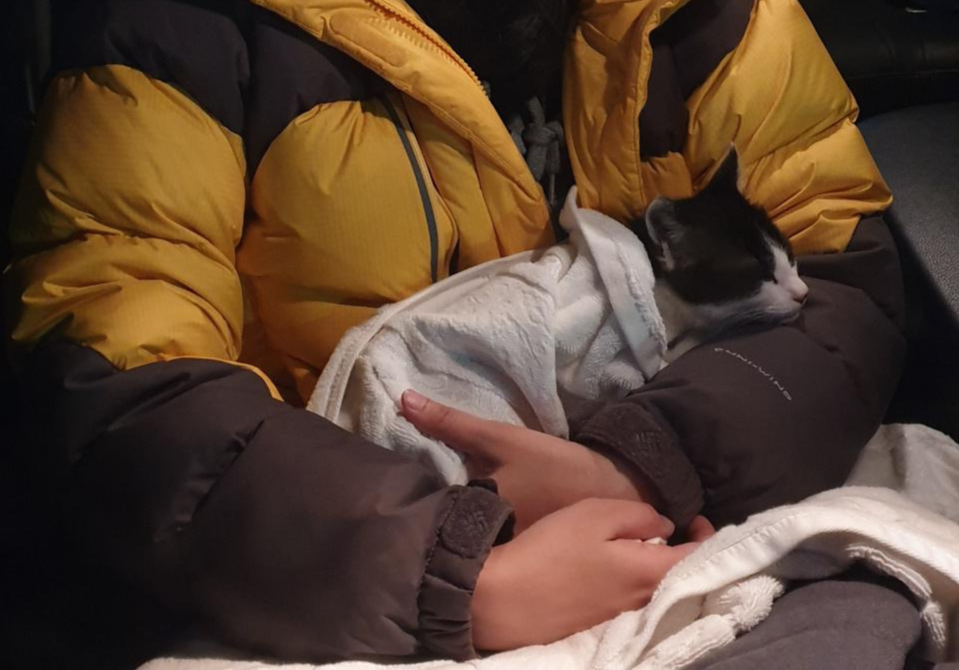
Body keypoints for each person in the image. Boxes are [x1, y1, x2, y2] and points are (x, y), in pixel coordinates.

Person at [5, 0, 906, 664]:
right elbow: (127, 388)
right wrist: (453, 572)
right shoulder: (178, 33)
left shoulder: (724, 18)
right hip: (330, 563)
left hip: (681, 498)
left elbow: (841, 285)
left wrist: (644, 460)